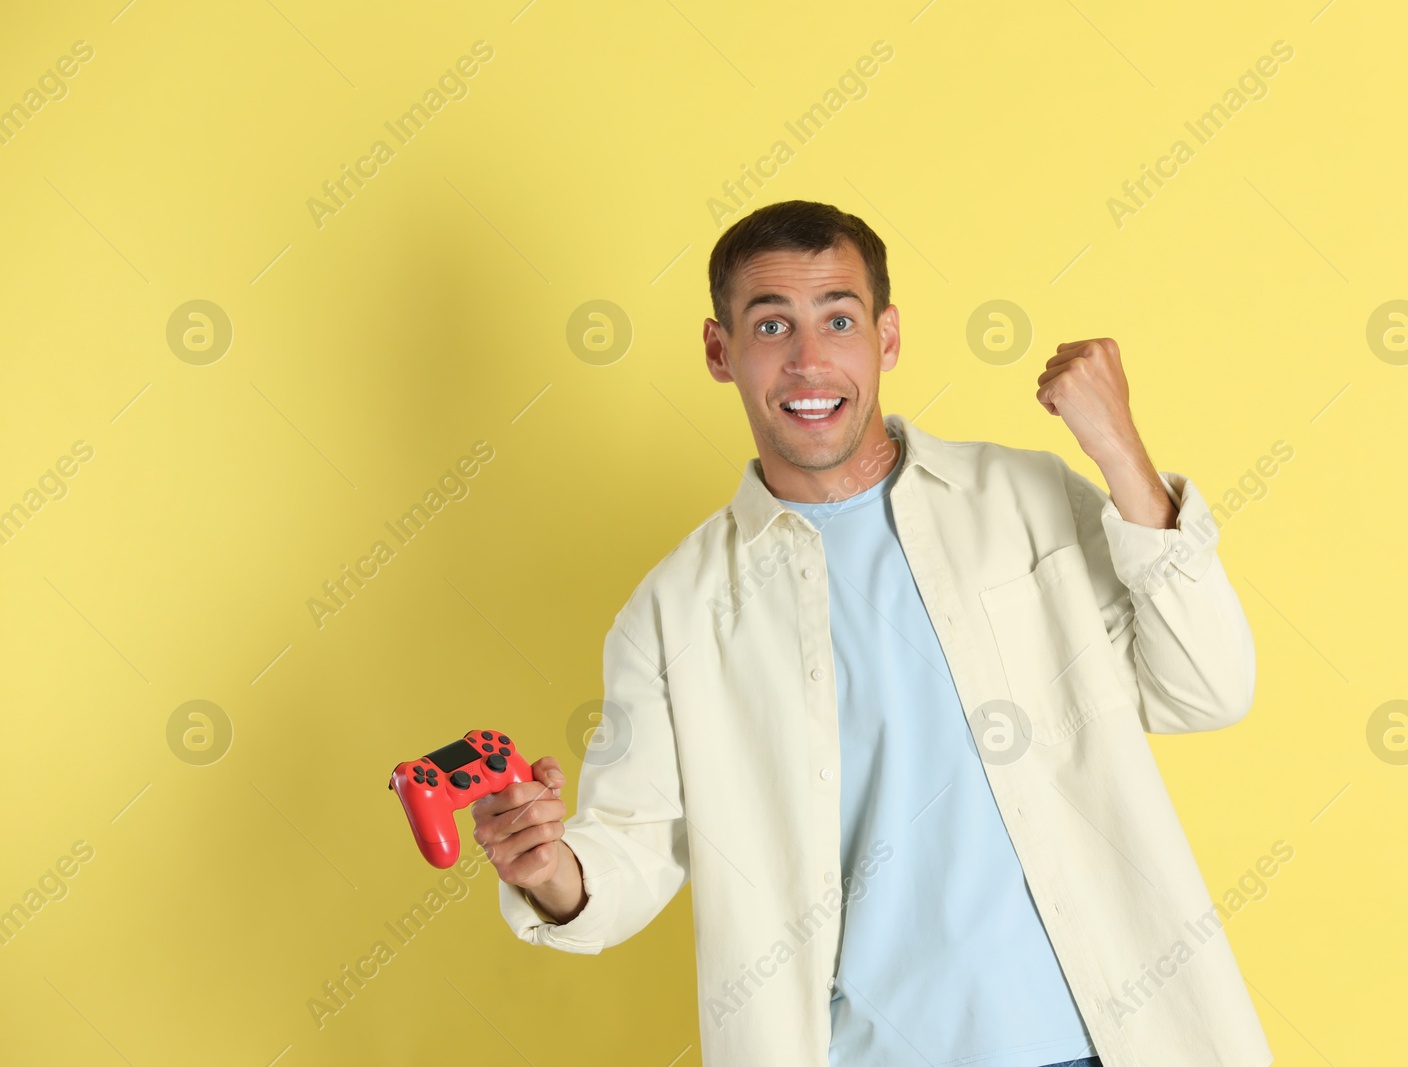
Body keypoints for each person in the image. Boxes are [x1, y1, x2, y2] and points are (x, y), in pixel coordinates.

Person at [471, 200, 1274, 1067]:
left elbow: (1207, 686)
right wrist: (550, 870)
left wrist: (1122, 453)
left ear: (887, 338)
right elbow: (630, 848)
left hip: (1112, 1040)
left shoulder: (1022, 499)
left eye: (839, 319)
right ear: (719, 351)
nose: (809, 359)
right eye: (771, 323)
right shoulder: (675, 611)